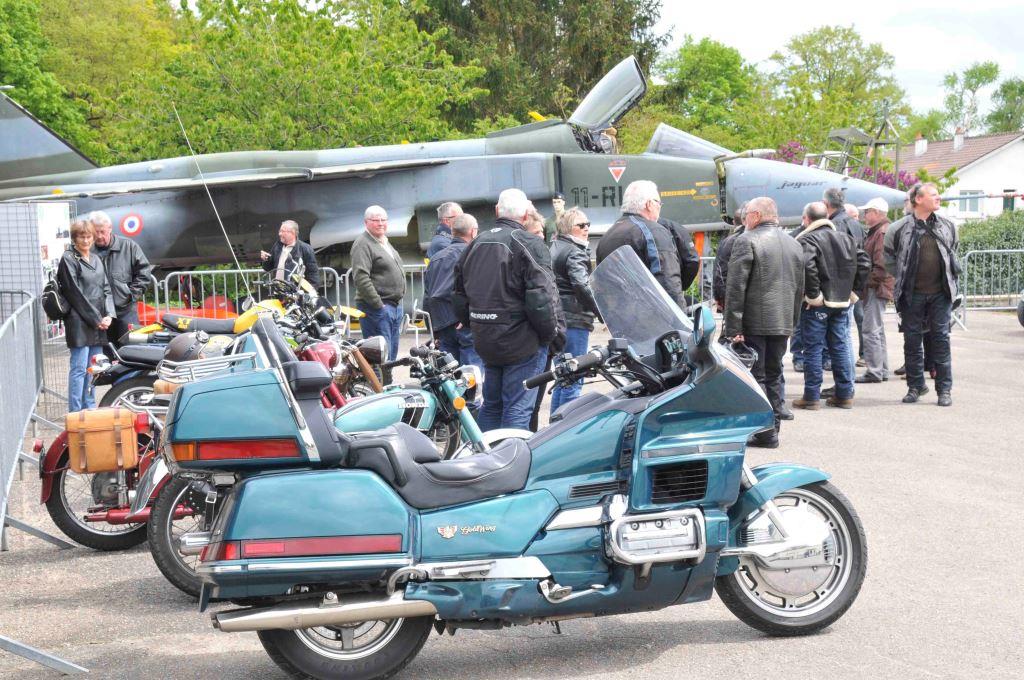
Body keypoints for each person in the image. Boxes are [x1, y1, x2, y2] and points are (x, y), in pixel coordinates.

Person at [453, 188, 564, 431]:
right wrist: (548, 336)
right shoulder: (529, 243)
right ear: (526, 216)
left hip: (487, 338)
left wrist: (476, 323)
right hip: (521, 341)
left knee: (492, 404)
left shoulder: (475, 244)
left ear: (496, 211)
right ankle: (511, 463)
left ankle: (485, 458)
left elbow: (459, 296)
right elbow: (542, 298)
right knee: (517, 407)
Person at [724, 197, 804, 447]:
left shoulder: (746, 240)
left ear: (756, 216)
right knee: (774, 371)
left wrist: (733, 327)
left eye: (747, 214)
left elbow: (735, 287)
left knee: (756, 376)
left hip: (755, 321)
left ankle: (765, 430)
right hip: (782, 321)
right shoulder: (794, 244)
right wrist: (792, 321)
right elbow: (799, 289)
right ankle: (772, 427)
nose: (745, 219)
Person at [884, 182, 959, 406]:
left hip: (941, 294)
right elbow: (889, 260)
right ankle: (915, 386)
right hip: (911, 295)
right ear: (918, 199)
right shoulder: (897, 228)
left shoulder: (948, 226)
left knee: (941, 342)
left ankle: (944, 390)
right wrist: (904, 277)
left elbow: (953, 251)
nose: (939, 198)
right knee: (912, 342)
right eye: (934, 195)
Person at [792, 203, 870, 411]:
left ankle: (811, 396)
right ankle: (844, 394)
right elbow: (864, 262)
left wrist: (813, 295)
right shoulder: (845, 238)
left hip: (817, 304)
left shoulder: (807, 239)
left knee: (813, 348)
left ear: (807, 219)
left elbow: (808, 266)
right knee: (840, 345)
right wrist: (852, 291)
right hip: (841, 302)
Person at [596, 180, 685, 306]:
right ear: (649, 204)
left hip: (618, 317)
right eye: (659, 203)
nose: (660, 207)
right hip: (650, 317)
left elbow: (601, 281)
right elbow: (667, 280)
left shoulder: (609, 234)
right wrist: (679, 319)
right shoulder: (654, 231)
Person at [549, 207, 601, 413]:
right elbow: (581, 285)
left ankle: (554, 426)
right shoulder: (575, 252)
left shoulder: (554, 247)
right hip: (574, 320)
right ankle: (564, 429)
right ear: (569, 228)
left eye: (588, 224)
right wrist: (600, 310)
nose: (586, 229)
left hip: (557, 319)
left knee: (563, 377)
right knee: (574, 376)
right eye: (581, 225)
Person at [59, 219, 114, 412]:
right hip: (79, 321)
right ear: (74, 238)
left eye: (88, 236)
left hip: (98, 321)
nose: (86, 240)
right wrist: (96, 318)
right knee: (79, 369)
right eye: (81, 236)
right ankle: (75, 411)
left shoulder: (96, 259)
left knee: (94, 369)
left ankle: (89, 407)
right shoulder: (68, 258)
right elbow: (73, 292)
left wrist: (109, 315)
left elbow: (106, 288)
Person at [423, 213, 482, 370]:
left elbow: (427, 296)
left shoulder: (436, 259)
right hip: (466, 323)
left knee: (448, 376)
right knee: (472, 374)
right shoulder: (474, 254)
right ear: (473, 231)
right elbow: (479, 289)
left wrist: (433, 332)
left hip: (442, 324)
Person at [350, 206, 407, 363]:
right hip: (377, 308)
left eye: (383, 219)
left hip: (393, 306)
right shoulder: (362, 244)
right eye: (376, 220)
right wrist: (378, 304)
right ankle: (380, 386)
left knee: (391, 353)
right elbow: (361, 277)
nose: (380, 223)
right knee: (380, 356)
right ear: (366, 222)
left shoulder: (383, 242)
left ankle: (387, 384)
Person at [89, 211, 151, 346]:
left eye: (102, 231)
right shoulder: (87, 251)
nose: (99, 236)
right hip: (100, 314)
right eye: (95, 232)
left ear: (110, 228)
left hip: (126, 311)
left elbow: (144, 273)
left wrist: (131, 295)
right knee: (104, 355)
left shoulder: (129, 246)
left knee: (132, 349)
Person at [856, 198, 895, 383]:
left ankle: (875, 371)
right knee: (876, 330)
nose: (865, 215)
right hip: (877, 286)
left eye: (868, 211)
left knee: (871, 329)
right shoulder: (880, 231)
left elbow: (881, 265)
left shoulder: (880, 233)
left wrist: (866, 282)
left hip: (876, 287)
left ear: (877, 212)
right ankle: (881, 369)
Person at [260, 219, 321, 286]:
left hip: (295, 292)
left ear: (292, 233)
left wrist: (309, 292)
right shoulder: (277, 246)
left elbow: (313, 274)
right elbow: (268, 268)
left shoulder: (305, 248)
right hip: (278, 290)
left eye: (282, 231)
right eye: (280, 231)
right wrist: (266, 259)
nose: (279, 234)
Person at [712, 207, 746, 313]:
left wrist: (719, 297)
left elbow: (719, 272)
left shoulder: (728, 241)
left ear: (733, 222)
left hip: (730, 296)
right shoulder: (736, 240)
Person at [658, 216, 701, 294]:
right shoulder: (674, 227)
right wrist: (680, 285)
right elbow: (692, 260)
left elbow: (692, 261)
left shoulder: (673, 227)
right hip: (670, 286)